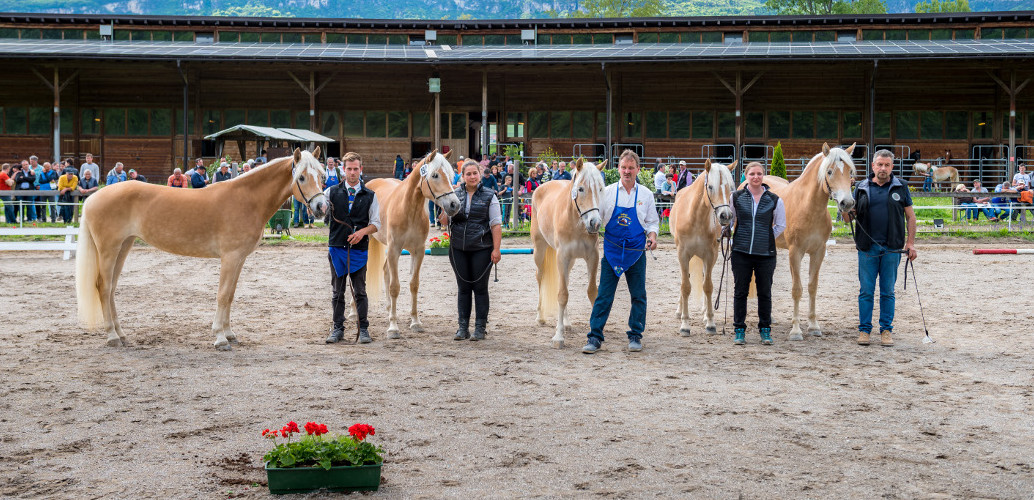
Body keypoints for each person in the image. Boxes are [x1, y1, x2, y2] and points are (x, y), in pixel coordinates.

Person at [582, 149, 659, 354]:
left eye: (631, 168)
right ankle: (595, 337)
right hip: (613, 252)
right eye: (624, 167)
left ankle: (635, 334)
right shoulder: (606, 193)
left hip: (636, 253)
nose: (627, 171)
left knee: (639, 295)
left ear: (638, 170)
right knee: (604, 296)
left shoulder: (646, 194)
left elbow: (652, 222)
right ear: (618, 169)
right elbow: (596, 219)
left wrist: (652, 237)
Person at [844, 149, 917, 347]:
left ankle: (886, 330)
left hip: (892, 248)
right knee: (866, 291)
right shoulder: (860, 187)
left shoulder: (900, 186)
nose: (883, 168)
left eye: (887, 165)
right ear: (873, 166)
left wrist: (910, 243)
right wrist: (844, 202)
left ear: (892, 167)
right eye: (879, 164)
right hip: (867, 248)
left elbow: (910, 217)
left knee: (887, 292)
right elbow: (847, 218)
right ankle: (864, 330)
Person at [438, 159, 502, 342]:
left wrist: (496, 249)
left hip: (482, 247)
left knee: (480, 288)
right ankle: (462, 327)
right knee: (463, 288)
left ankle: (480, 327)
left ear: (479, 174)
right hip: (458, 247)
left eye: (475, 173)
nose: (472, 176)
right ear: (463, 176)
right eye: (468, 174)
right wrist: (444, 208)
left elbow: (496, 225)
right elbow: (444, 221)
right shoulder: (454, 194)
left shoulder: (490, 196)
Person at [325, 152, 380, 345]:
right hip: (336, 248)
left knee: (360, 292)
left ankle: (363, 328)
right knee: (337, 292)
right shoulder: (330, 192)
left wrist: (362, 232)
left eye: (356, 169)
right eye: (349, 169)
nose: (352, 172)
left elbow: (375, 224)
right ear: (343, 170)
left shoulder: (370, 196)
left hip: (359, 250)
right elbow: (318, 211)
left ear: (360, 169)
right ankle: (337, 329)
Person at [729, 162, 786, 346]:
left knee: (765, 292)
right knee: (740, 291)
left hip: (766, 254)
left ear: (763, 176)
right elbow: (730, 222)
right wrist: (732, 238)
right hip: (741, 252)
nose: (756, 177)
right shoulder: (736, 197)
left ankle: (765, 329)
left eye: (759, 174)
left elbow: (780, 225)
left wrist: (767, 238)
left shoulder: (775, 199)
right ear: (746, 176)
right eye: (752, 173)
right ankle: (739, 329)